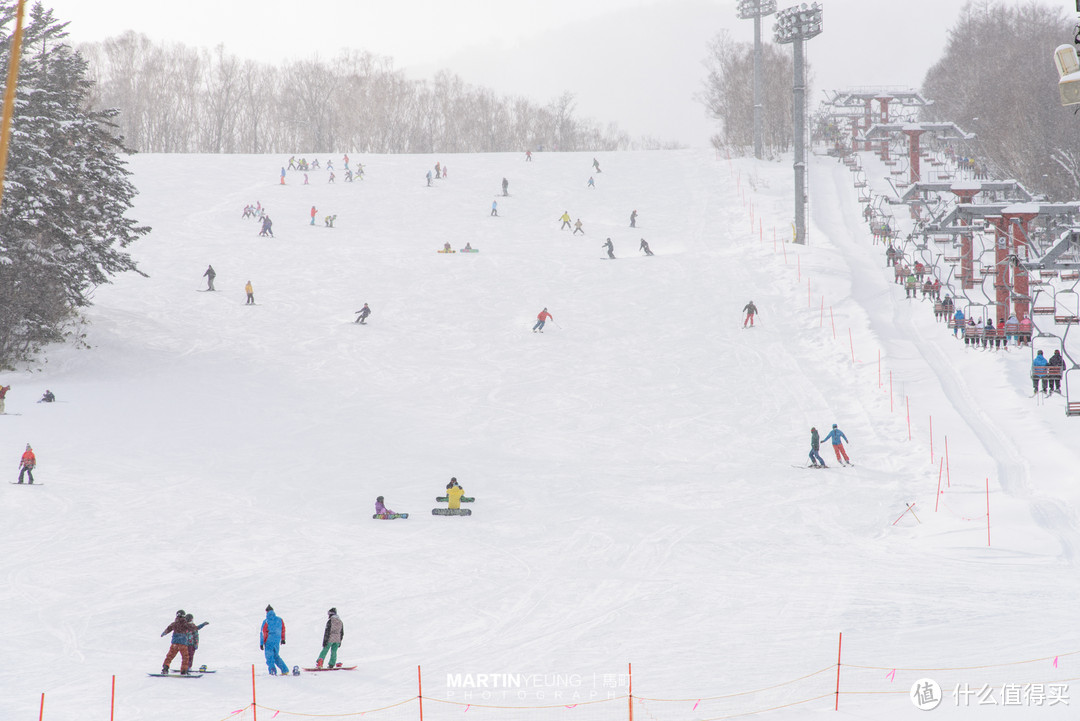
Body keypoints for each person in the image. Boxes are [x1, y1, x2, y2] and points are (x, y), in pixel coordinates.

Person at [161, 610, 195, 675]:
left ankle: (165, 668)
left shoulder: (174, 623)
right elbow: (193, 628)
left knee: (170, 656)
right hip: (183, 643)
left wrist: (163, 634)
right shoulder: (185, 624)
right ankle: (184, 671)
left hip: (175, 643)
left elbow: (168, 629)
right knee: (185, 657)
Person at [260, 605, 289, 676]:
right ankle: (285, 670)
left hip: (269, 641)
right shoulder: (279, 620)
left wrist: (261, 643)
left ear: (267, 612)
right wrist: (283, 639)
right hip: (277, 640)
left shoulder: (266, 621)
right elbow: (283, 630)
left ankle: (272, 671)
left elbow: (263, 633)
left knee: (269, 657)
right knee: (276, 656)